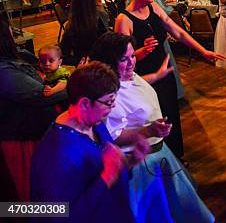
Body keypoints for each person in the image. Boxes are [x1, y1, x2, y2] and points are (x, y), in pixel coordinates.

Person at [89, 33, 214, 223]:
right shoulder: (110, 94)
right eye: (124, 59)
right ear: (109, 62)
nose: (132, 62)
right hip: (141, 163)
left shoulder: (127, 75)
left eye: (132, 56)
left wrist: (156, 76)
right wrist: (149, 131)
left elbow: (133, 86)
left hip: (158, 153)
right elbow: (114, 135)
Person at [115, 0, 224, 159]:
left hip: (164, 73)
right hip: (144, 77)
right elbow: (121, 62)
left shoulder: (154, 8)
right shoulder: (124, 20)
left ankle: (175, 158)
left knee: (170, 113)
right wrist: (142, 51)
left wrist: (203, 51)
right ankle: (158, 159)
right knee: (152, 119)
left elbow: (178, 32)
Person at [31, 62, 149, 223]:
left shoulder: (95, 123)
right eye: (109, 101)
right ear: (85, 103)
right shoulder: (57, 154)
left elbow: (104, 170)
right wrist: (107, 177)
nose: (113, 107)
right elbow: (58, 216)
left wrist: (130, 160)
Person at [0, 14, 66, 201]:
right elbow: (40, 95)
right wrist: (72, 85)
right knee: (30, 196)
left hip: (33, 135)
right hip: (21, 142)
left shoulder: (14, 59)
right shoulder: (4, 71)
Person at [60, 0, 110, 64]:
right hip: (92, 70)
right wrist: (82, 61)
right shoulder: (74, 25)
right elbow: (63, 55)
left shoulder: (100, 14)